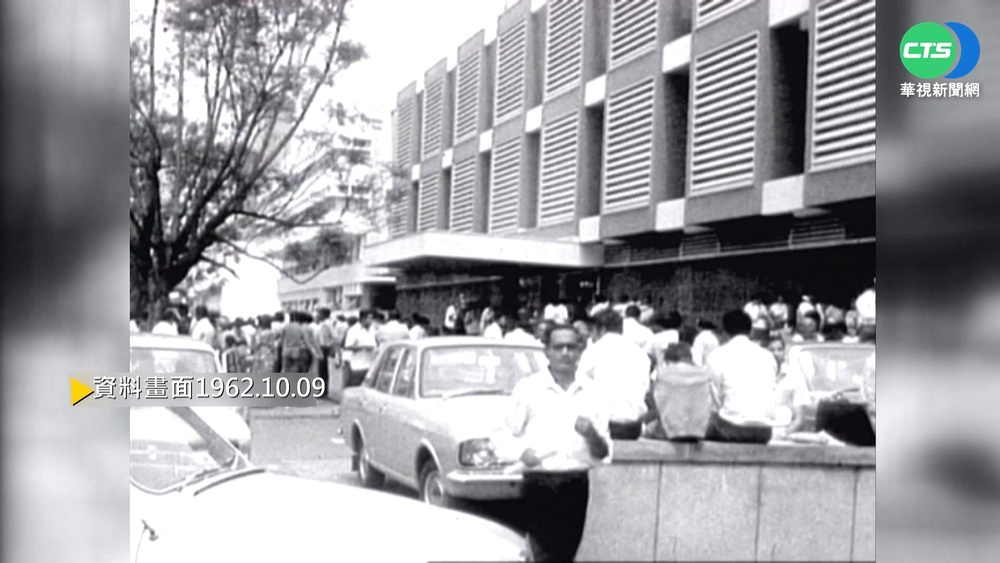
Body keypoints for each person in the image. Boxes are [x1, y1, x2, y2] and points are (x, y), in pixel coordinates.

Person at [492, 323, 611, 562]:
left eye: (571, 347)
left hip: (576, 485)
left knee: (565, 556)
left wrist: (591, 435)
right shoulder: (529, 389)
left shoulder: (592, 391)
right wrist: (522, 452)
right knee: (542, 555)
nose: (565, 353)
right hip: (540, 485)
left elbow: (603, 452)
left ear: (580, 351)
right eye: (559, 347)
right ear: (547, 351)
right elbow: (500, 435)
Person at [705, 310, 780, 444]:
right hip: (764, 431)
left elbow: (714, 403)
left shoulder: (717, 356)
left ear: (724, 331)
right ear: (750, 331)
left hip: (731, 428)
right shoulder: (767, 356)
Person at [576, 309, 651, 440]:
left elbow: (578, 384)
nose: (592, 336)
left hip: (606, 426)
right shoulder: (641, 354)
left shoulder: (594, 350)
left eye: (593, 331)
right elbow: (645, 389)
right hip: (633, 428)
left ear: (602, 329)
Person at [343, 310, 377, 388]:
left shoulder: (372, 329)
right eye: (369, 318)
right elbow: (348, 346)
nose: (371, 320)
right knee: (356, 386)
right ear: (363, 319)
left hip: (371, 364)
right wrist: (364, 347)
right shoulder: (354, 330)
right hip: (358, 365)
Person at [316, 308, 336, 389]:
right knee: (321, 370)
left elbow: (334, 336)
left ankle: (323, 389)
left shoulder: (328, 324)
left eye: (319, 313)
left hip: (325, 348)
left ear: (323, 315)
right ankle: (322, 389)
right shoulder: (322, 324)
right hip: (321, 347)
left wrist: (332, 348)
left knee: (323, 370)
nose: (317, 315)